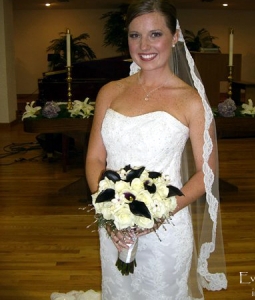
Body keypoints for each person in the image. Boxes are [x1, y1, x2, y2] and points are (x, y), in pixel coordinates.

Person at [51, 0, 227, 299]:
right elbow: (95, 158)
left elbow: (206, 173)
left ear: (174, 37)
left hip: (167, 227)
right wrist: (108, 212)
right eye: (135, 35)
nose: (144, 45)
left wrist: (160, 213)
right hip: (115, 225)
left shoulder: (191, 101)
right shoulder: (110, 92)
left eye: (155, 34)